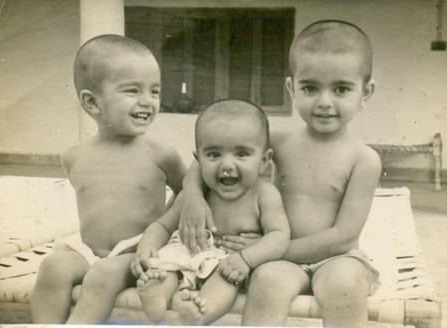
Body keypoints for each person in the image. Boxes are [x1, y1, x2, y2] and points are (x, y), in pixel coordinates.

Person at [180, 20, 382, 328]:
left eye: (341, 89)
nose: (325, 102)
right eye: (310, 88)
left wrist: (263, 249)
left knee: (346, 285)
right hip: (278, 260)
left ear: (365, 93)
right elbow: (212, 158)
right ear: (291, 89)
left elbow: (343, 237)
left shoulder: (363, 159)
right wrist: (194, 197)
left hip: (335, 258)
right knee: (267, 282)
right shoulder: (280, 142)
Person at [30, 34, 186, 324]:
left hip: (136, 254)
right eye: (132, 91)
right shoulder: (74, 156)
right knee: (53, 267)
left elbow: (188, 191)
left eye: (154, 91)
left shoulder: (160, 154)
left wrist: (161, 228)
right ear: (92, 102)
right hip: (89, 250)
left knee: (102, 276)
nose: (147, 101)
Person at [131, 99, 290, 325]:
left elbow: (280, 236)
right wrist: (147, 247)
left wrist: (246, 259)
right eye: (214, 155)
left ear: (263, 161)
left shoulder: (264, 194)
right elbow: (163, 225)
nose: (227, 164)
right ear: (198, 159)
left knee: (226, 279)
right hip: (186, 253)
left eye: (242, 154)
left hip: (228, 262)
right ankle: (156, 297)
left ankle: (200, 310)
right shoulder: (194, 197)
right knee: (164, 269)